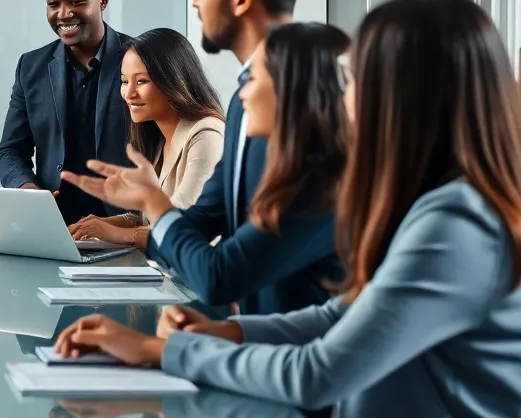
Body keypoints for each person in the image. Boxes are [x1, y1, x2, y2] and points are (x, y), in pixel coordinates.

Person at [52, 0, 521, 418]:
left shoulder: (457, 225)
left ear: (400, 95)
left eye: (354, 79)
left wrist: (163, 352)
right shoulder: (433, 205)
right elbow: (339, 317)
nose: (341, 97)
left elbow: (321, 370)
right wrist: (226, 332)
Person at [68, 23, 349, 315]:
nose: (241, 95)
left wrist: (151, 203)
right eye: (125, 81)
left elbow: (218, 275)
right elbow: (197, 221)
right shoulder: (289, 171)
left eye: (253, 78)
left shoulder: (314, 190)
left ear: (290, 91)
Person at [141, 0, 309, 282]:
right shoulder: (241, 101)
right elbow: (207, 216)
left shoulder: (299, 106)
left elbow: (227, 271)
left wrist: (152, 205)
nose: (195, 2)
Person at [0, 0, 130, 225]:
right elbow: (10, 150)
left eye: (77, 1)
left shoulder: (141, 59)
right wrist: (26, 189)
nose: (64, 14)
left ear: (102, 0)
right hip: (54, 227)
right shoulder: (30, 67)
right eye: (53, 3)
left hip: (124, 227)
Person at [68, 28, 225, 251]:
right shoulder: (158, 139)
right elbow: (144, 219)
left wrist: (117, 234)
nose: (128, 93)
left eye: (141, 81)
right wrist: (91, 226)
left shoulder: (206, 135)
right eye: (124, 81)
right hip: (164, 275)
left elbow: (182, 229)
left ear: (173, 80)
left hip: (192, 281)